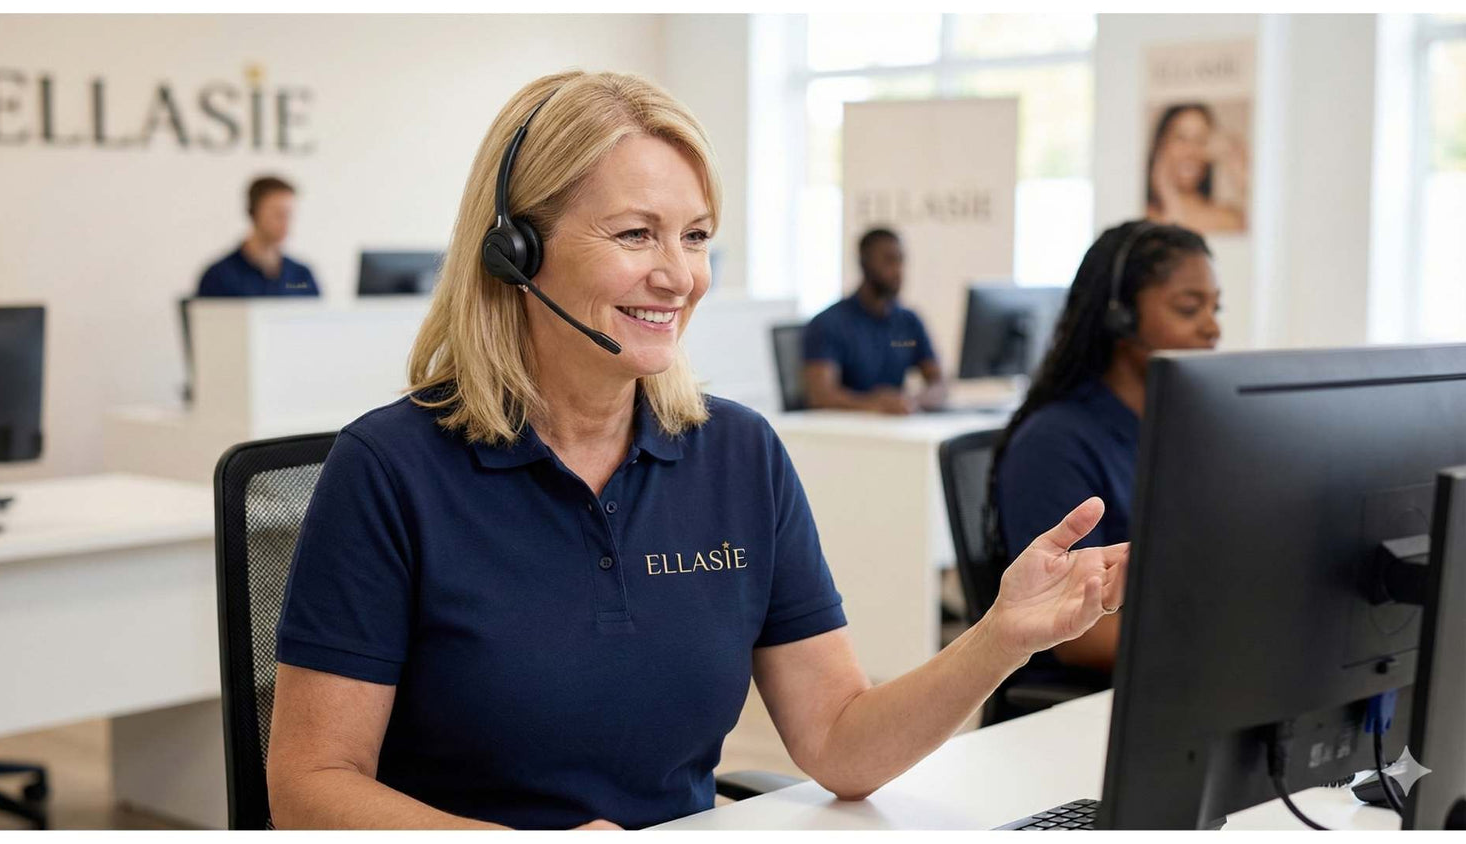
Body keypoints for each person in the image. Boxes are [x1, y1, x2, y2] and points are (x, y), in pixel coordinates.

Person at [265, 70, 1127, 831]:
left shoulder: (738, 454)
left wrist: (1002, 637)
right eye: (636, 234)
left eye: (697, 235)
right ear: (515, 253)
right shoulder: (388, 469)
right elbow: (308, 788)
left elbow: (838, 743)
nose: (680, 276)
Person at [987, 220, 1219, 680]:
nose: (1212, 327)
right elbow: (1080, 636)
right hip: (1085, 704)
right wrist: (1225, 654)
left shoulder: (1178, 430)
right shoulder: (1053, 445)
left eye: (1216, 307)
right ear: (1121, 318)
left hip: (1171, 671)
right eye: (1190, 308)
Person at [801, 229, 947, 414]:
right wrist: (875, 404)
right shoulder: (828, 323)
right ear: (864, 263)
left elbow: (940, 383)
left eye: (901, 260)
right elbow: (820, 396)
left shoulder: (909, 322)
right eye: (888, 261)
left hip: (897, 429)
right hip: (845, 432)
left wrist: (912, 401)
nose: (898, 270)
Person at [195, 176, 320, 297]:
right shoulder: (219, 277)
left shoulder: (301, 276)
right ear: (253, 213)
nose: (285, 223)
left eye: (289, 214)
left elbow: (317, 317)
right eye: (277, 214)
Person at [1145, 103, 1248, 234]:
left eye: (1200, 140)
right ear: (1161, 145)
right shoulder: (1143, 216)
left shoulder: (1229, 219)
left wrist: (1237, 170)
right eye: (1181, 138)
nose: (1191, 151)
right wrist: (1168, 196)